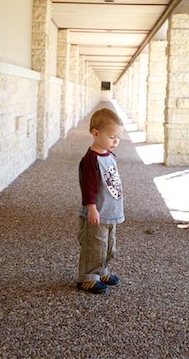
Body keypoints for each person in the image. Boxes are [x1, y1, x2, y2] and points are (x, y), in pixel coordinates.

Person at [77, 108, 125, 294]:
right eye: (112, 137)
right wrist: (91, 209)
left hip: (111, 212)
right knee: (94, 246)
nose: (116, 141)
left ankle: (102, 271)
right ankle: (88, 277)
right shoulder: (90, 160)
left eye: (118, 138)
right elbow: (88, 187)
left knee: (109, 246)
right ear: (95, 133)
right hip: (97, 213)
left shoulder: (109, 155)